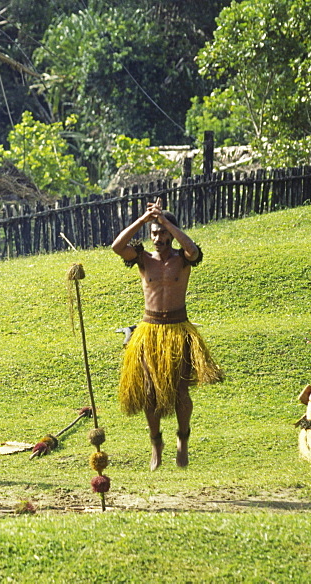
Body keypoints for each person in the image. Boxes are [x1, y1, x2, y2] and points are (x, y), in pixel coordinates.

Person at [111, 199, 222, 470]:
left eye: (162, 233)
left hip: (177, 331)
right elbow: (116, 247)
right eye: (154, 234)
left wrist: (166, 222)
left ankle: (182, 440)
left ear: (171, 233)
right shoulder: (142, 259)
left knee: (181, 391)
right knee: (150, 393)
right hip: (149, 332)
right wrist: (144, 220)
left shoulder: (182, 260)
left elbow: (193, 249)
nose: (157, 238)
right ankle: (156, 443)